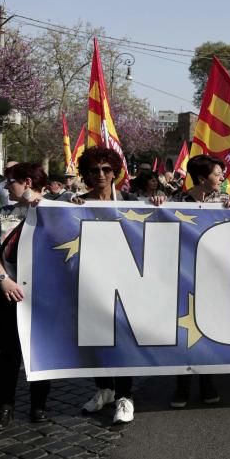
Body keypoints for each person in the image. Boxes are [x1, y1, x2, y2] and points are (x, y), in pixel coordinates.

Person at [74, 147, 163, 425]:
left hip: (125, 281)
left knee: (121, 340)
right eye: (94, 170)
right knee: (96, 340)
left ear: (115, 172)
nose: (100, 175)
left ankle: (125, 397)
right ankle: (105, 389)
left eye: (106, 169)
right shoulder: (75, 202)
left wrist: (158, 202)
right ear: (86, 175)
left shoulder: (130, 200)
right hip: (89, 282)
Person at [165, 154, 230, 406]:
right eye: (217, 174)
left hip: (213, 278)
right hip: (183, 275)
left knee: (206, 331)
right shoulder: (178, 200)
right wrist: (156, 202)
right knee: (183, 333)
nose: (221, 179)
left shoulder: (226, 201)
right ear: (203, 178)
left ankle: (207, 381)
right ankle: (181, 386)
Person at [0, 162, 52, 431]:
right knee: (9, 353)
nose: (5, 186)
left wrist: (41, 201)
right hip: (10, 293)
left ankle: (39, 405)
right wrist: (4, 280)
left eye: (9, 181)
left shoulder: (53, 210)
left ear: (27, 181)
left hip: (44, 296)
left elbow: (82, 208)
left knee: (40, 351)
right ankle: (5, 406)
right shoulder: (4, 213)